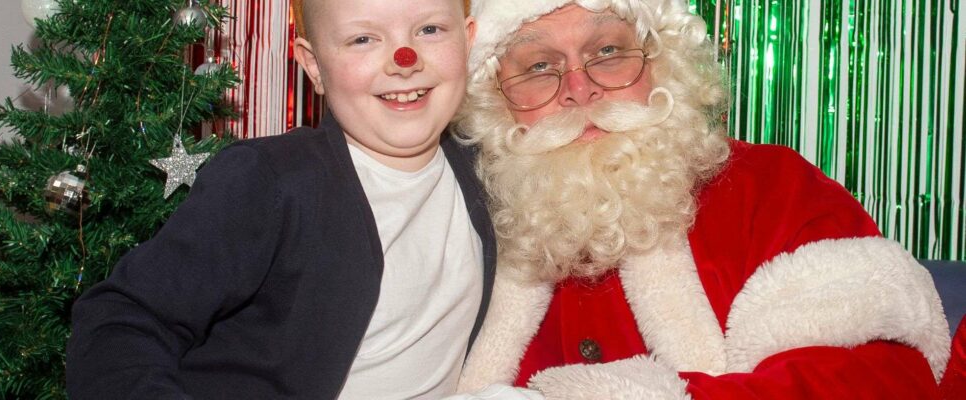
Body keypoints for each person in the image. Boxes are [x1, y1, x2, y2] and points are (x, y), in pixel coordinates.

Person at [452, 0, 953, 398]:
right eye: (540, 66)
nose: (580, 90)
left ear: (662, 63)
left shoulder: (771, 187)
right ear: (496, 101)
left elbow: (881, 373)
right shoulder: (461, 229)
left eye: (606, 52)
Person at [66, 0, 495, 398]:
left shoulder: (488, 168)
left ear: (468, 40)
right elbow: (121, 318)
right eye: (363, 39)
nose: (405, 60)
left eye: (430, 29)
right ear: (314, 66)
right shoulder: (269, 182)